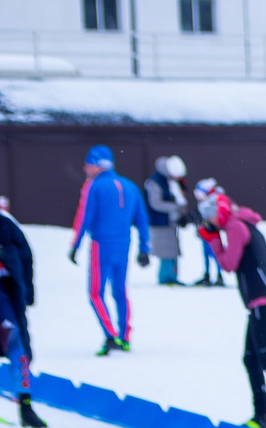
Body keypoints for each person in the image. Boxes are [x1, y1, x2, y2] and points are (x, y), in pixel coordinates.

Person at [193, 185, 266, 428]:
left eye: (210, 216)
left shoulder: (234, 227)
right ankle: (262, 414)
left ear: (219, 212)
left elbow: (229, 263)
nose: (209, 221)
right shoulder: (249, 225)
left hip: (262, 303)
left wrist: (212, 241)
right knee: (251, 358)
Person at [67, 145, 148, 355]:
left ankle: (110, 334)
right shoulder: (130, 186)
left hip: (101, 244)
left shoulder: (94, 187)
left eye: (87, 165)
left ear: (96, 164)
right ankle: (125, 337)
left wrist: (75, 245)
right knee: (120, 291)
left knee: (95, 292)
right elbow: (142, 219)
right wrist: (144, 248)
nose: (85, 170)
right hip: (124, 244)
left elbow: (85, 217)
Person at [0, 197, 44, 428]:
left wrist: (27, 290)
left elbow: (24, 254)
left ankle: (26, 406)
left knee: (14, 343)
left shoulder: (0, 219)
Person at [144, 155, 189, 285]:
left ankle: (172, 276)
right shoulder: (155, 182)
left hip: (170, 222)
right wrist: (175, 207)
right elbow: (156, 203)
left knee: (172, 250)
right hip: (159, 223)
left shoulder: (170, 182)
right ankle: (165, 277)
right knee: (165, 251)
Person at [189, 177, 226, 286]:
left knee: (214, 253)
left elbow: (212, 216)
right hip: (204, 232)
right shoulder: (205, 202)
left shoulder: (214, 200)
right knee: (205, 253)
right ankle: (207, 274)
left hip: (212, 233)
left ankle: (219, 275)